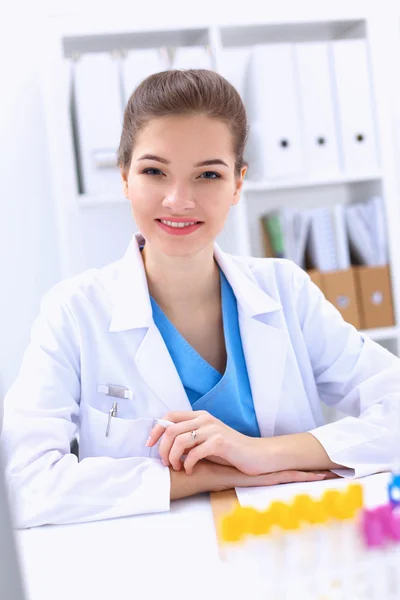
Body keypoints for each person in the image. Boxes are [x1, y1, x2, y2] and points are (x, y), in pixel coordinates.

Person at [2, 69, 400, 529]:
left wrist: (257, 454)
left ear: (237, 183)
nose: (178, 199)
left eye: (208, 174)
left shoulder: (284, 289)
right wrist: (203, 476)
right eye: (154, 171)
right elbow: (21, 483)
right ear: (125, 178)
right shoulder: (74, 312)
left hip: (298, 548)